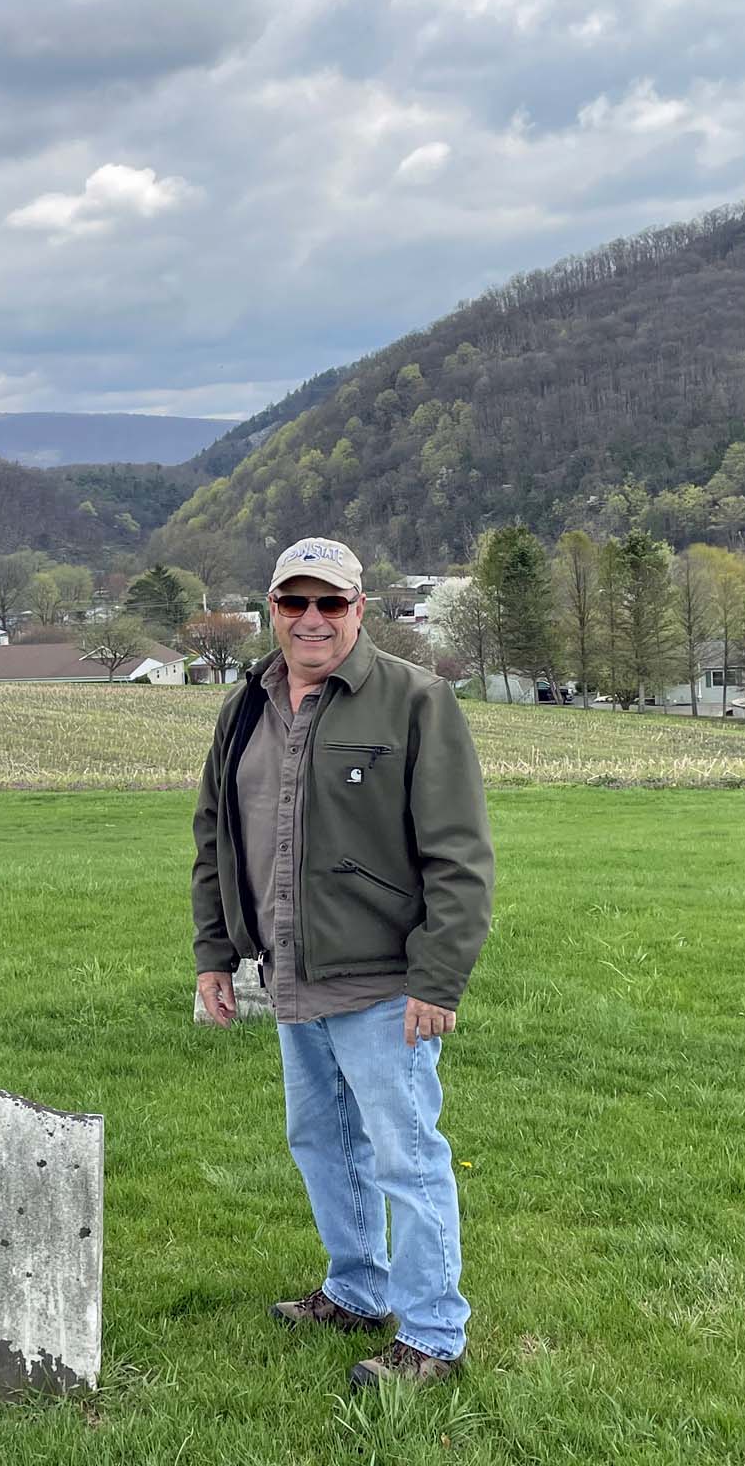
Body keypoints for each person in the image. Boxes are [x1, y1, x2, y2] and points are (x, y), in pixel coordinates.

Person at [191, 535, 494, 1389]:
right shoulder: (244, 706)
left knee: (407, 1157)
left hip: (385, 982)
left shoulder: (416, 700)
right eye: (296, 602)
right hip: (288, 971)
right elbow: (216, 837)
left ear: (359, 608)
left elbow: (459, 856)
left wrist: (438, 979)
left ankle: (433, 1336)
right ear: (273, 610)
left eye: (331, 602)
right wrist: (217, 953)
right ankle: (357, 1290)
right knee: (322, 1141)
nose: (313, 619)